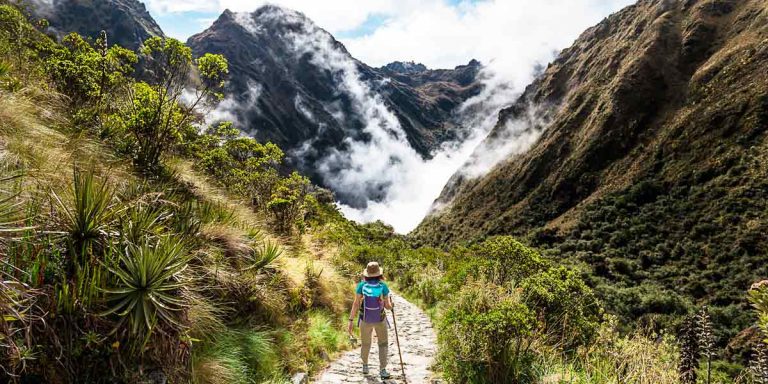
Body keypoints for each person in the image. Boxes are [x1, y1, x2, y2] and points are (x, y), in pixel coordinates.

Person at [348, 261, 393, 379]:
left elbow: (356, 304)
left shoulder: (361, 286)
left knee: (366, 343)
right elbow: (387, 306)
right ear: (379, 273)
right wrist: (391, 305)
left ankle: (365, 366)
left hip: (365, 319)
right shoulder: (383, 286)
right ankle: (383, 370)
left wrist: (351, 320)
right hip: (380, 319)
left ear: (367, 274)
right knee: (383, 344)